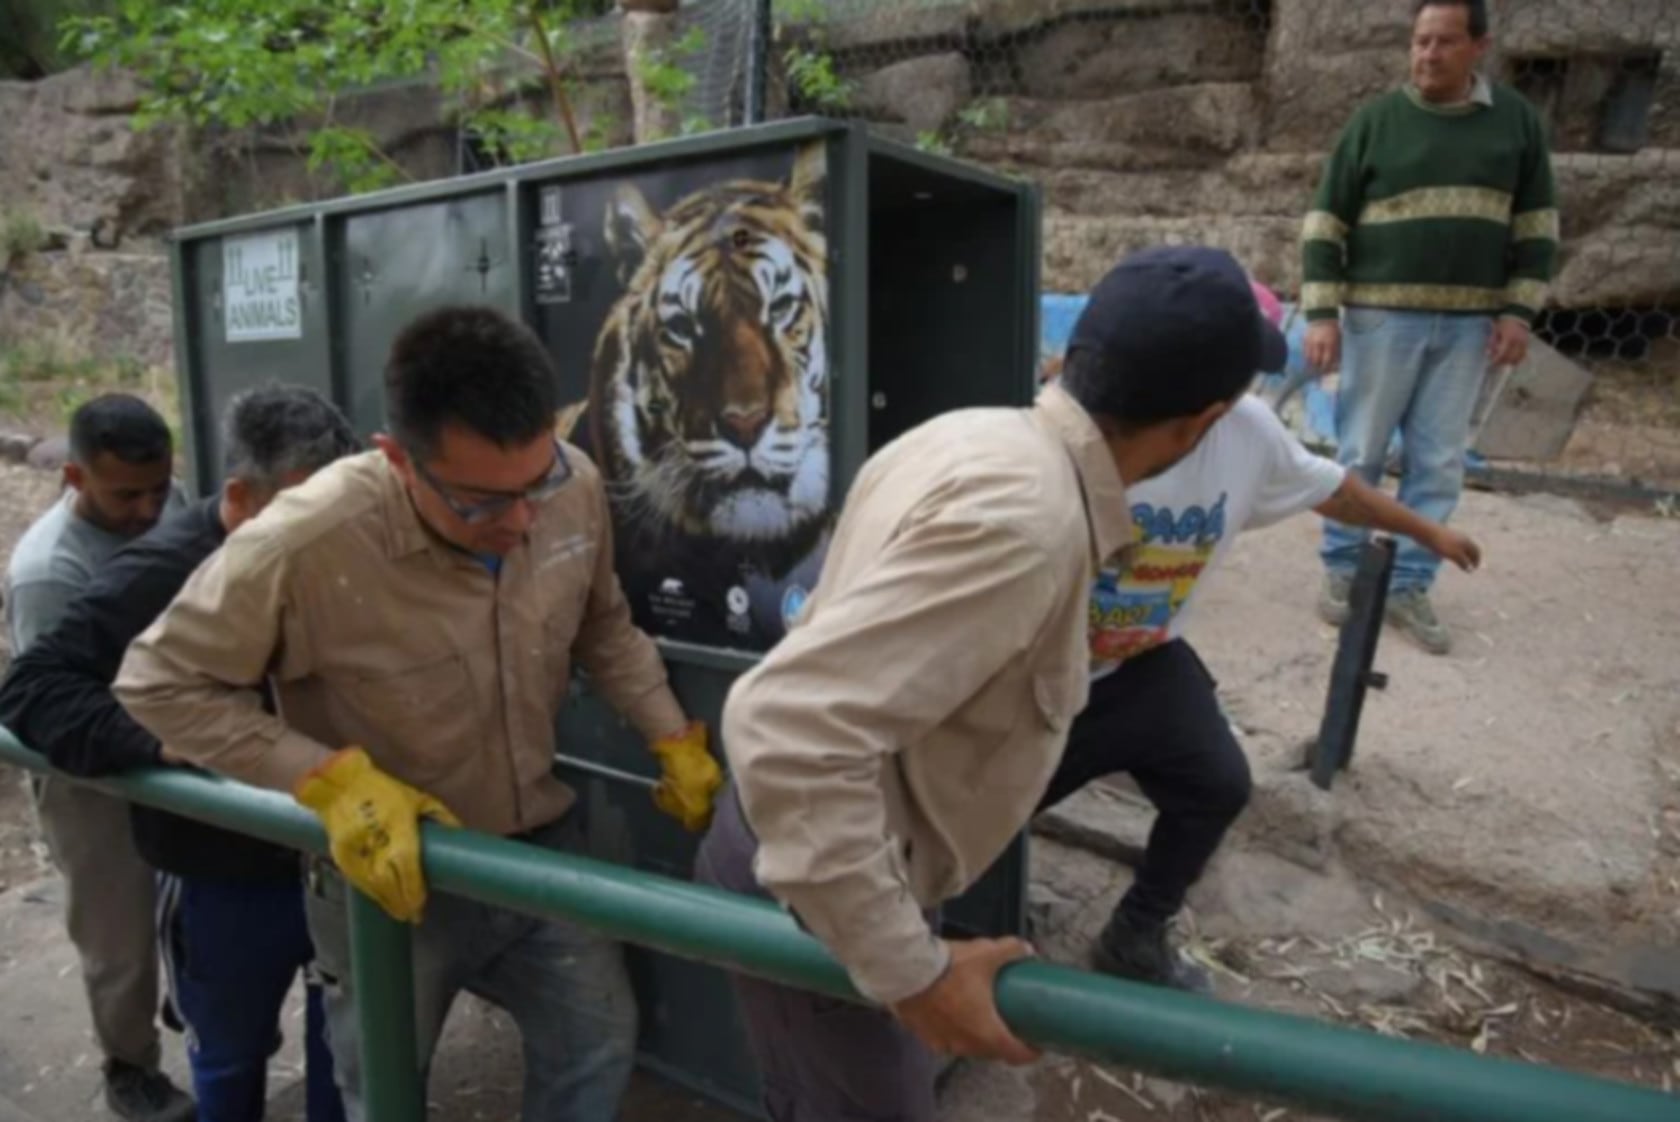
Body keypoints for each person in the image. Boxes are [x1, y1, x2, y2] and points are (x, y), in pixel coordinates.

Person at [696, 246, 1284, 1122]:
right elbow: (789, 728)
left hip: (826, 862)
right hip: (813, 887)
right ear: (1202, 423)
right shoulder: (1029, 520)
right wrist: (917, 978)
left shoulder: (974, 434)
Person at [114, 305, 722, 1122]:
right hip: (388, 884)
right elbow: (158, 683)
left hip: (538, 852)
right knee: (384, 1088)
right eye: (480, 502)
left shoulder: (570, 484)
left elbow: (603, 624)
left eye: (533, 484)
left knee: (597, 1041)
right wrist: (327, 779)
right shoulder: (307, 540)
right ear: (397, 459)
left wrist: (670, 732)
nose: (521, 521)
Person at [1046, 316, 1481, 995]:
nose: (1248, 391)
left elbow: (1333, 487)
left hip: (1139, 661)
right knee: (980, 820)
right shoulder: (1065, 433)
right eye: (1234, 376)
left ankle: (1135, 932)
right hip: (1032, 682)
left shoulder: (1244, 429)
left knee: (1215, 783)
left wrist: (1428, 530)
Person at [0, 384, 361, 1122]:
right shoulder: (158, 572)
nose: (328, 527)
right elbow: (33, 688)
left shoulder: (340, 546)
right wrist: (163, 740)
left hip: (335, 855)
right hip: (223, 871)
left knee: (349, 1045)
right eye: (304, 509)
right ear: (242, 498)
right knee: (229, 1054)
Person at [1301, 0, 1557, 654]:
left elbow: (1536, 228)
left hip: (1471, 325)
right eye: (1419, 42)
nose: (1427, 55)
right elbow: (1325, 223)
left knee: (1439, 460)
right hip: (1382, 318)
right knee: (1360, 447)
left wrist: (1518, 312)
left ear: (1480, 47)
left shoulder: (1517, 125)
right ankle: (1343, 570)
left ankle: (1410, 583)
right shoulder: (1376, 123)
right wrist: (1323, 315)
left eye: (1444, 42)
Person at [2, 393, 191, 1122]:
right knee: (118, 936)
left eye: (158, 486)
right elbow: (55, 704)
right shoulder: (50, 572)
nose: (149, 508)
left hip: (170, 738)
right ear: (74, 478)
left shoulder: (166, 498)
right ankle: (129, 1066)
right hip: (89, 771)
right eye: (125, 495)